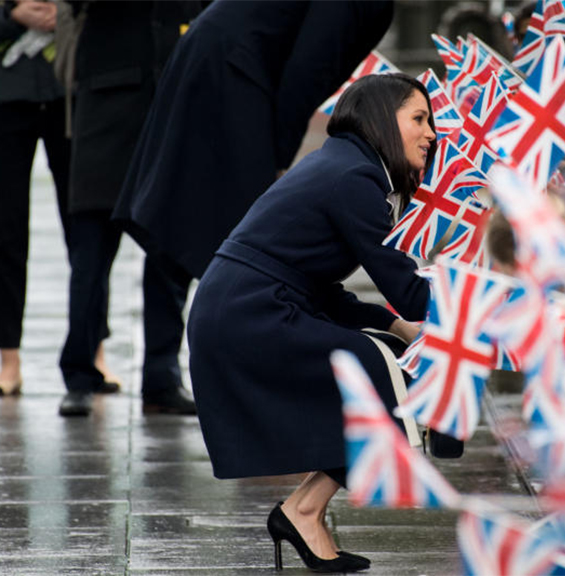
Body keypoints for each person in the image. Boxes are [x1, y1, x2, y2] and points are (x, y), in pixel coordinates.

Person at [186, 73, 435, 572]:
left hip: (251, 306)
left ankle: (302, 511)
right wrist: (481, 289)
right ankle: (302, 511)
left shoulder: (350, 165)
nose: (432, 133)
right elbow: (409, 289)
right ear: (383, 119)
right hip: (248, 314)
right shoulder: (356, 177)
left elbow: (320, 286)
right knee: (380, 371)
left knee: (382, 360)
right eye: (419, 118)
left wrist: (394, 325)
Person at [112, 0, 394, 418]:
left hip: (220, 55)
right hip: (233, 67)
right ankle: (251, 378)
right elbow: (308, 69)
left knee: (182, 213)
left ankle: (164, 372)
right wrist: (280, 156)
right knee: (251, 234)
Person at [57, 0, 204, 417]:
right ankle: (80, 375)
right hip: (106, 116)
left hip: (171, 120)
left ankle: (161, 380)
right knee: (90, 258)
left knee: (169, 258)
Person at [0, 0, 70, 396]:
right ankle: (8, 356)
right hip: (8, 95)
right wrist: (11, 15)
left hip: (69, 90)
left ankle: (92, 347)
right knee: (6, 230)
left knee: (85, 228)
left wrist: (69, 14)